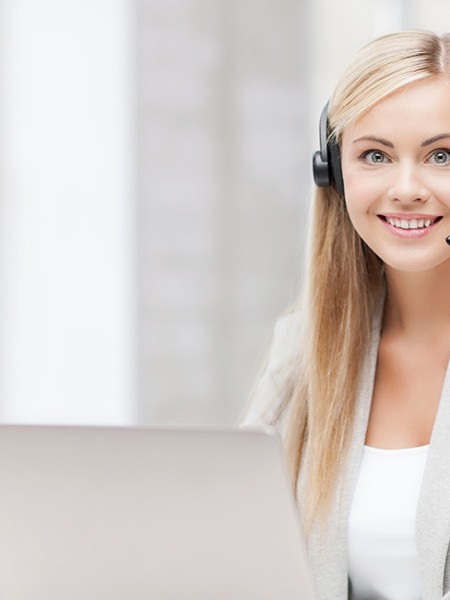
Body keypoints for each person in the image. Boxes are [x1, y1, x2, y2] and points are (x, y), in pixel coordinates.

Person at [241, 29, 450, 600]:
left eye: (442, 155)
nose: (407, 189)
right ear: (332, 172)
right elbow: (234, 543)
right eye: (376, 155)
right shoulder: (303, 351)